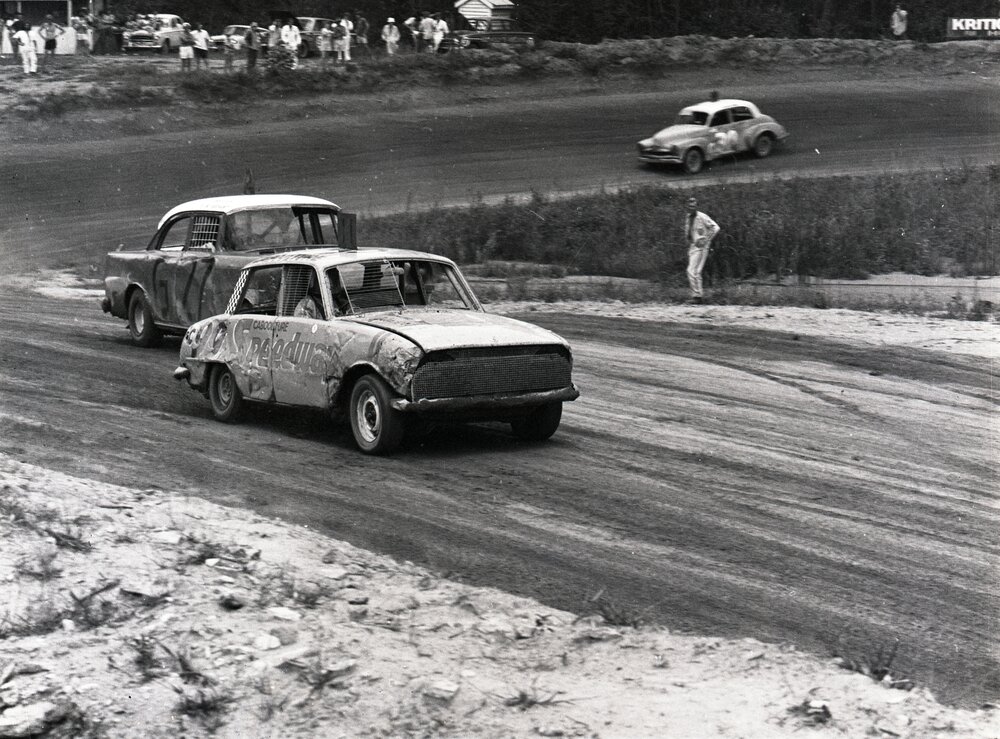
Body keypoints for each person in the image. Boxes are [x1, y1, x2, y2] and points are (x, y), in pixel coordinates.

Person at [682, 197, 720, 304]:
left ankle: (697, 296)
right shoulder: (688, 217)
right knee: (696, 271)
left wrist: (706, 240)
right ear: (687, 207)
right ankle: (698, 297)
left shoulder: (702, 217)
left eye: (694, 206)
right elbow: (689, 232)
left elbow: (716, 227)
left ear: (697, 207)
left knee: (691, 271)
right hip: (693, 246)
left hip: (701, 247)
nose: (692, 208)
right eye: (690, 206)